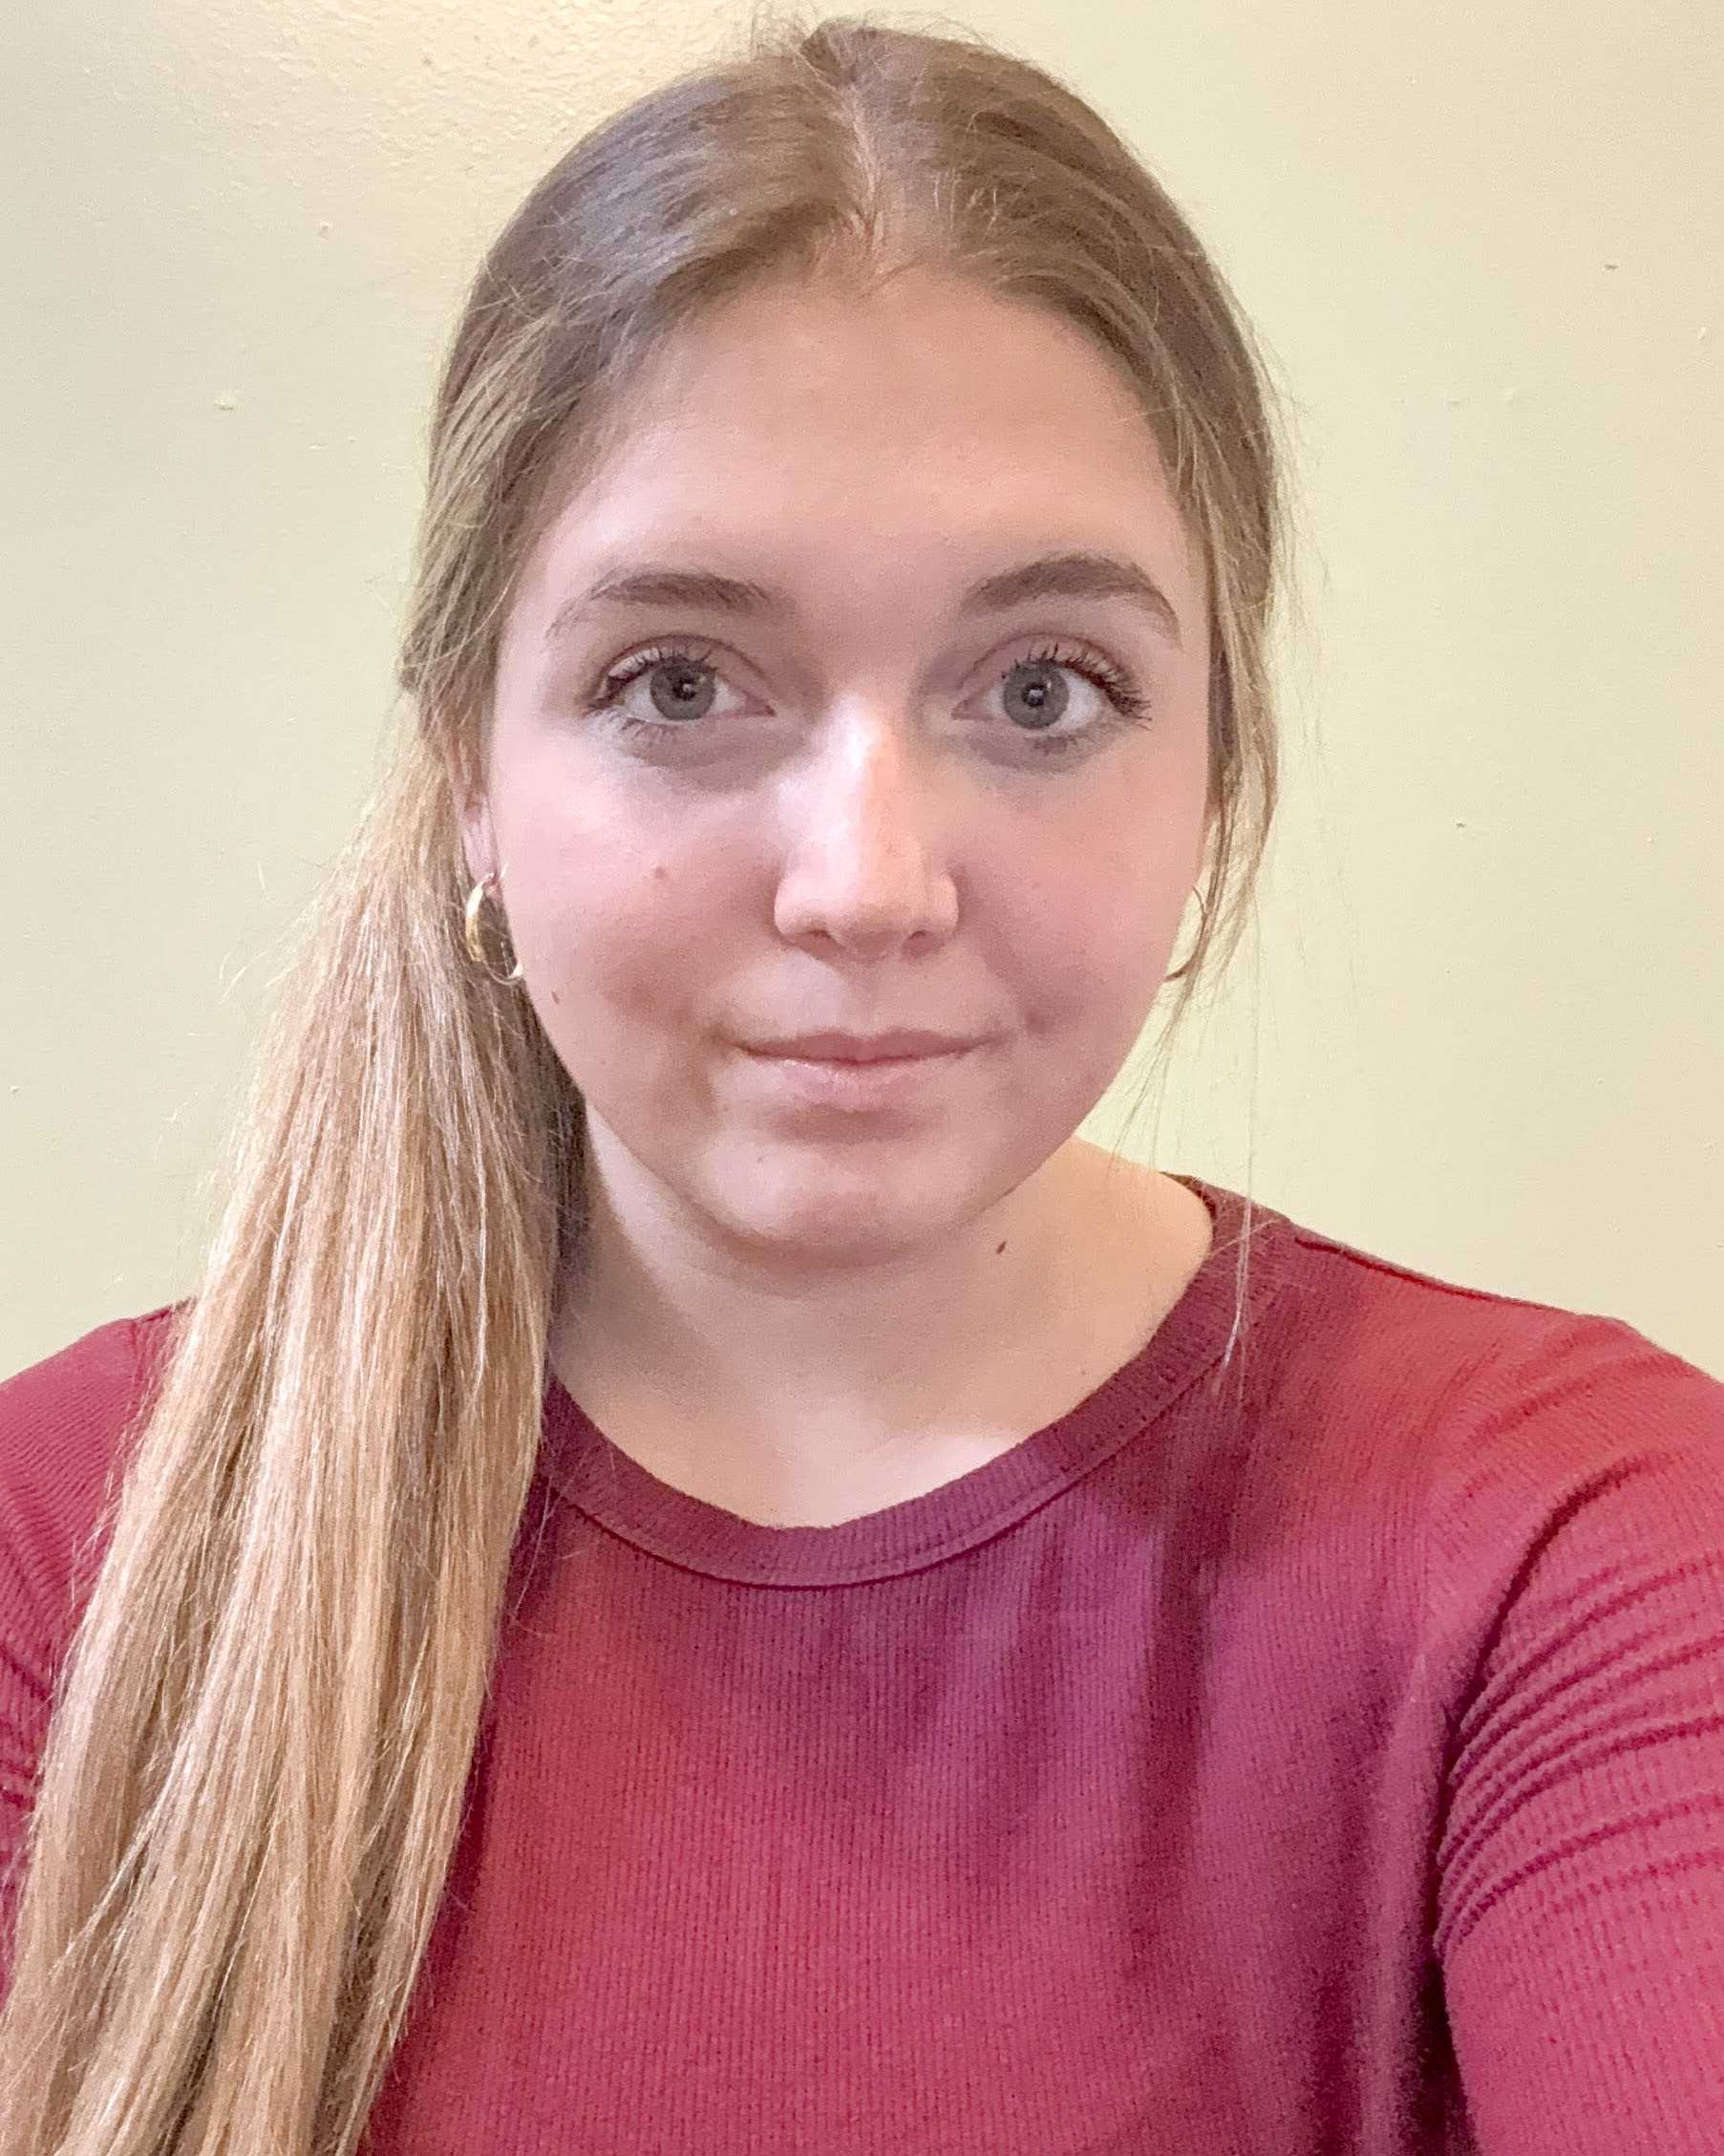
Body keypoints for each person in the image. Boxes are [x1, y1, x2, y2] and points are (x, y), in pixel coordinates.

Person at [1, 13, 1720, 2155]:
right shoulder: (76, 1548)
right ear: (465, 764)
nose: (867, 882)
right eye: (680, 681)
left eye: (1042, 687)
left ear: (1217, 773)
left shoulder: (1578, 1554)